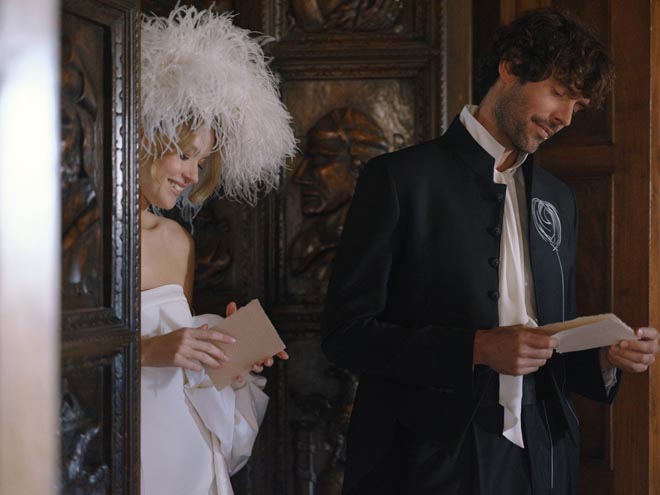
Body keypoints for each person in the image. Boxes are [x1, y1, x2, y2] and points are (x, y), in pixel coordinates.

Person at [321, 8, 659, 495]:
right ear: (511, 66)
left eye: (577, 105)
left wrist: (605, 356)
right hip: (430, 455)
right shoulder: (398, 180)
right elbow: (345, 335)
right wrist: (476, 348)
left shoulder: (558, 198)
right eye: (559, 93)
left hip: (545, 455)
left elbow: (550, 344)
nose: (565, 118)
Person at [138, 7, 295, 495]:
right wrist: (146, 351)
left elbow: (181, 354)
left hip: (184, 445)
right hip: (112, 439)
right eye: (184, 154)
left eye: (201, 161)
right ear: (142, 136)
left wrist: (224, 348)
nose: (191, 174)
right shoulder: (71, 242)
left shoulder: (177, 243)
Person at [290, 107, 388, 280]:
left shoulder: (384, 243)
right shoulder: (306, 245)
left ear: (359, 167)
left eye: (319, 160)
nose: (300, 177)